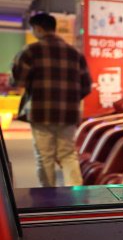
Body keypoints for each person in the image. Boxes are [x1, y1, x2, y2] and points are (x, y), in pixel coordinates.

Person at [11, 12, 91, 187]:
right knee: (68, 154)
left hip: (40, 113)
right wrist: (70, 101)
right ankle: (76, 193)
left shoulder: (30, 51)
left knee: (44, 156)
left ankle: (48, 196)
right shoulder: (75, 53)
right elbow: (86, 86)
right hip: (68, 114)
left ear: (38, 28)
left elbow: (18, 80)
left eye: (33, 29)